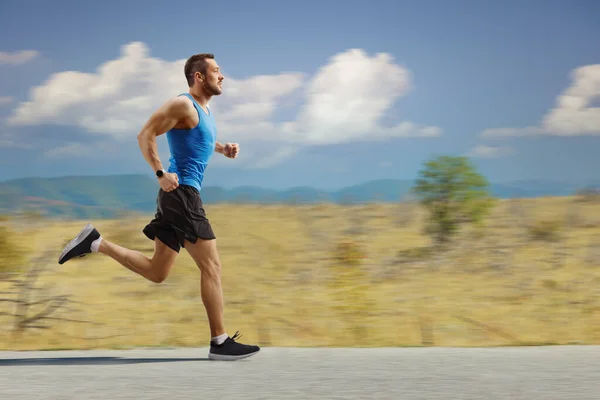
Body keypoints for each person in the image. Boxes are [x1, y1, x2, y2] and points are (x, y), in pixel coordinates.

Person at [57, 53, 260, 361]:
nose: (222, 76)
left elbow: (198, 139)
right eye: (216, 71)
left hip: (176, 197)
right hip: (182, 196)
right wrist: (160, 173)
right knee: (212, 267)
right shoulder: (183, 104)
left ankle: (95, 242)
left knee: (157, 272)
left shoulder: (204, 110)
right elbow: (145, 134)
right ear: (199, 77)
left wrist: (222, 148)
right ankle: (219, 343)